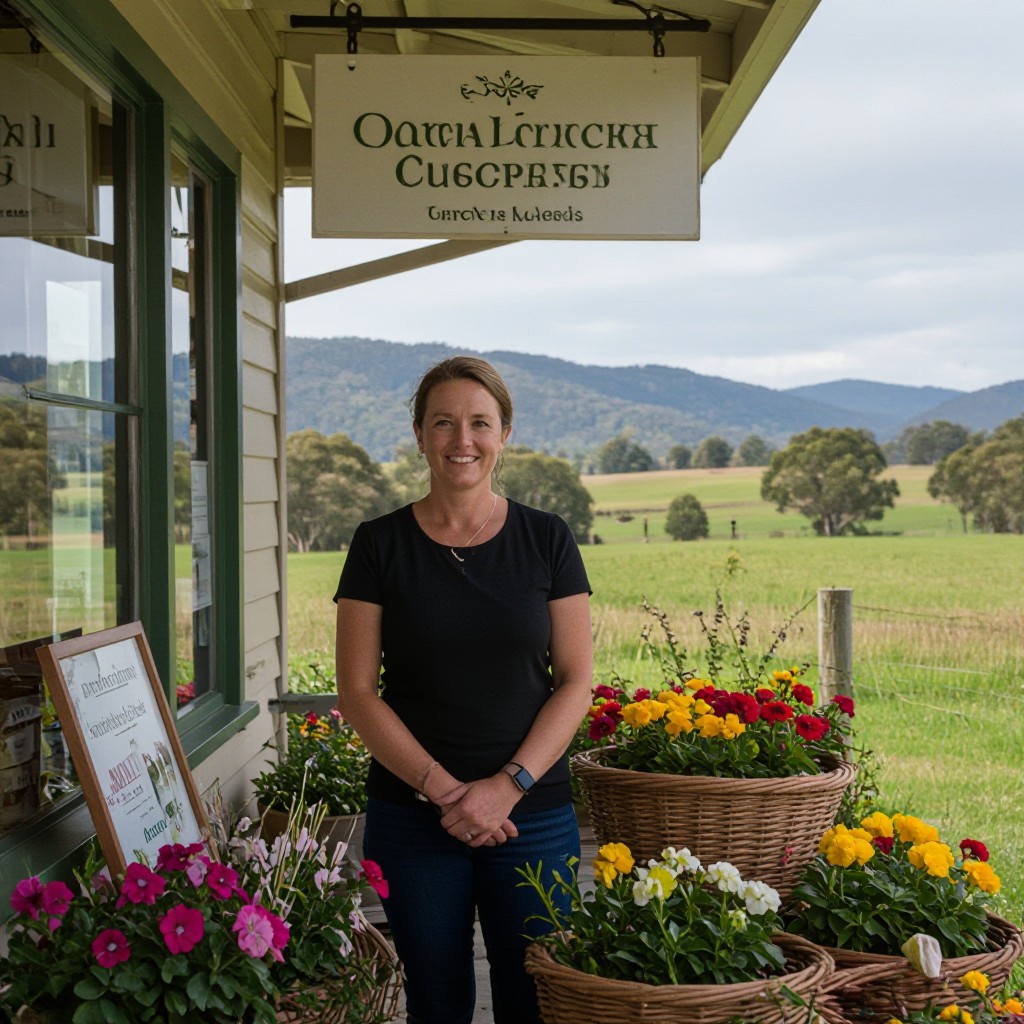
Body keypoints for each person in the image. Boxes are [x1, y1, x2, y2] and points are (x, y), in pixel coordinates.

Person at [334, 356, 594, 1024]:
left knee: (535, 999)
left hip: (531, 814)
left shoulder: (548, 539)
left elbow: (576, 682)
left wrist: (506, 785)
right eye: (443, 423)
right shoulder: (377, 545)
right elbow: (358, 691)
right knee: (438, 1002)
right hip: (414, 819)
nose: (462, 440)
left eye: (480, 422)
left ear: (504, 433)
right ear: (419, 435)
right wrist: (449, 793)